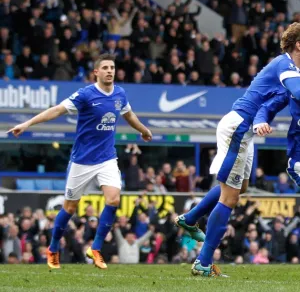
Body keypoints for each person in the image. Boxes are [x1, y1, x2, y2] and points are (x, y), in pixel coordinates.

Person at [175, 22, 300, 277]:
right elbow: (297, 91)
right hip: (239, 127)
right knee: (229, 198)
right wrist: (258, 120)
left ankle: (190, 218)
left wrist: (263, 119)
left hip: (246, 128)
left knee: (238, 189)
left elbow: (272, 103)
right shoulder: (285, 65)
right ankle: (203, 263)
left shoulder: (291, 70)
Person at [7, 53, 152, 270]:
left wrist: (143, 130)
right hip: (82, 161)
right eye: (105, 68)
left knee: (113, 200)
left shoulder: (120, 93)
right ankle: (54, 248)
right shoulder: (85, 94)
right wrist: (27, 124)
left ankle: (95, 248)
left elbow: (128, 115)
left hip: (107, 158)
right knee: (70, 208)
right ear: (96, 72)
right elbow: (56, 110)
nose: (110, 71)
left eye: (112, 67)